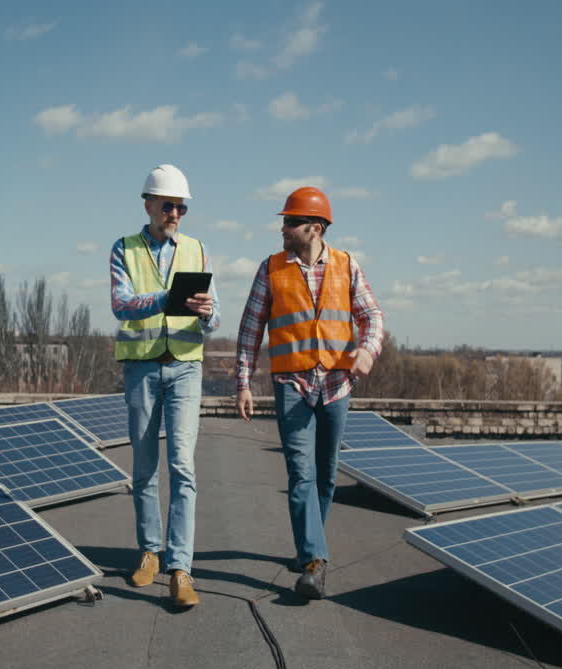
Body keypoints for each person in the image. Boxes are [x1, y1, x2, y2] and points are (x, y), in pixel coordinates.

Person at [234, 186, 384, 600]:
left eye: (290, 222)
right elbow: (250, 330)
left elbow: (372, 315)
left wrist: (367, 351)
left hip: (337, 386)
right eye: (283, 221)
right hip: (292, 387)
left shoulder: (347, 265)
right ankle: (315, 560)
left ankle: (306, 549)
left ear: (314, 228)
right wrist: (244, 383)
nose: (282, 228)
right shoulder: (271, 269)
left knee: (326, 476)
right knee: (300, 474)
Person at [110, 164, 219, 609]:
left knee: (183, 467)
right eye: (169, 205)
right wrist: (169, 296)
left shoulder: (197, 249)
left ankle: (181, 568)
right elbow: (121, 304)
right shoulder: (124, 248)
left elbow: (214, 319)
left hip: (186, 368)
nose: (176, 213)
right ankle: (149, 552)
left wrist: (208, 312)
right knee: (143, 468)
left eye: (182, 207)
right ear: (148, 204)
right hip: (141, 368)